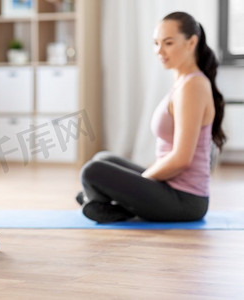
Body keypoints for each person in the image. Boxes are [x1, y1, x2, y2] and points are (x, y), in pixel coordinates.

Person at [77, 11, 226, 223]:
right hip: (170, 187)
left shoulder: (193, 86)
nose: (159, 51)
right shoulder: (183, 83)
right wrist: (137, 185)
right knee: (103, 159)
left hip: (185, 200)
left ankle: (105, 203)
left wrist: (140, 182)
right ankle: (104, 203)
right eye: (156, 43)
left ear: (191, 42)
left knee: (91, 171)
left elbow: (181, 159)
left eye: (168, 43)